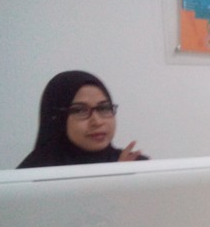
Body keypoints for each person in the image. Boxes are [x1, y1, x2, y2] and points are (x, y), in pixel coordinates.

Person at [18, 70, 147, 168]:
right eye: (80, 110)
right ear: (57, 119)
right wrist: (114, 183)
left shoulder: (134, 166)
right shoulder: (32, 175)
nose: (98, 122)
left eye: (103, 108)